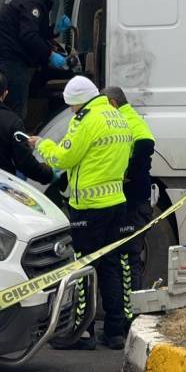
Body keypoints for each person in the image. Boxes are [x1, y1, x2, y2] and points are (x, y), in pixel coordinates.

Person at [27, 76, 133, 350]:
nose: (72, 111)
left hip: (89, 208)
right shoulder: (116, 115)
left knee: (83, 268)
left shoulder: (86, 119)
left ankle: (82, 333)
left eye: (72, 106)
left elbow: (65, 158)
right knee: (110, 266)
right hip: (116, 203)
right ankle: (116, 330)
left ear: (77, 102)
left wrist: (41, 145)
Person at [102, 86, 156, 330]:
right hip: (134, 198)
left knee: (128, 260)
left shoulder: (125, 118)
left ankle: (129, 321)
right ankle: (127, 319)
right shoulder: (129, 117)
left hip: (132, 200)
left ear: (112, 103)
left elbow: (145, 145)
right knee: (126, 260)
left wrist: (129, 174)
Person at [0, 0, 70, 120]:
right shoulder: (32, 1)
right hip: (12, 63)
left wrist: (55, 30)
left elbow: (34, 30)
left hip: (6, 60)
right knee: (15, 112)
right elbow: (29, 36)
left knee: (11, 109)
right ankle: (14, 141)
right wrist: (50, 55)